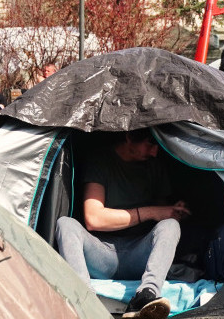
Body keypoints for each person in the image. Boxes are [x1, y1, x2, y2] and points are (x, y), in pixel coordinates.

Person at [56, 131, 187, 319]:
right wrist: (150, 212)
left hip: (139, 254)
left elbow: (162, 217)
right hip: (101, 255)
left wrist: (173, 212)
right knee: (65, 224)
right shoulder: (101, 161)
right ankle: (85, 300)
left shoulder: (155, 166)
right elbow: (93, 219)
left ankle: (146, 296)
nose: (154, 152)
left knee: (171, 226)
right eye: (150, 144)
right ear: (129, 138)